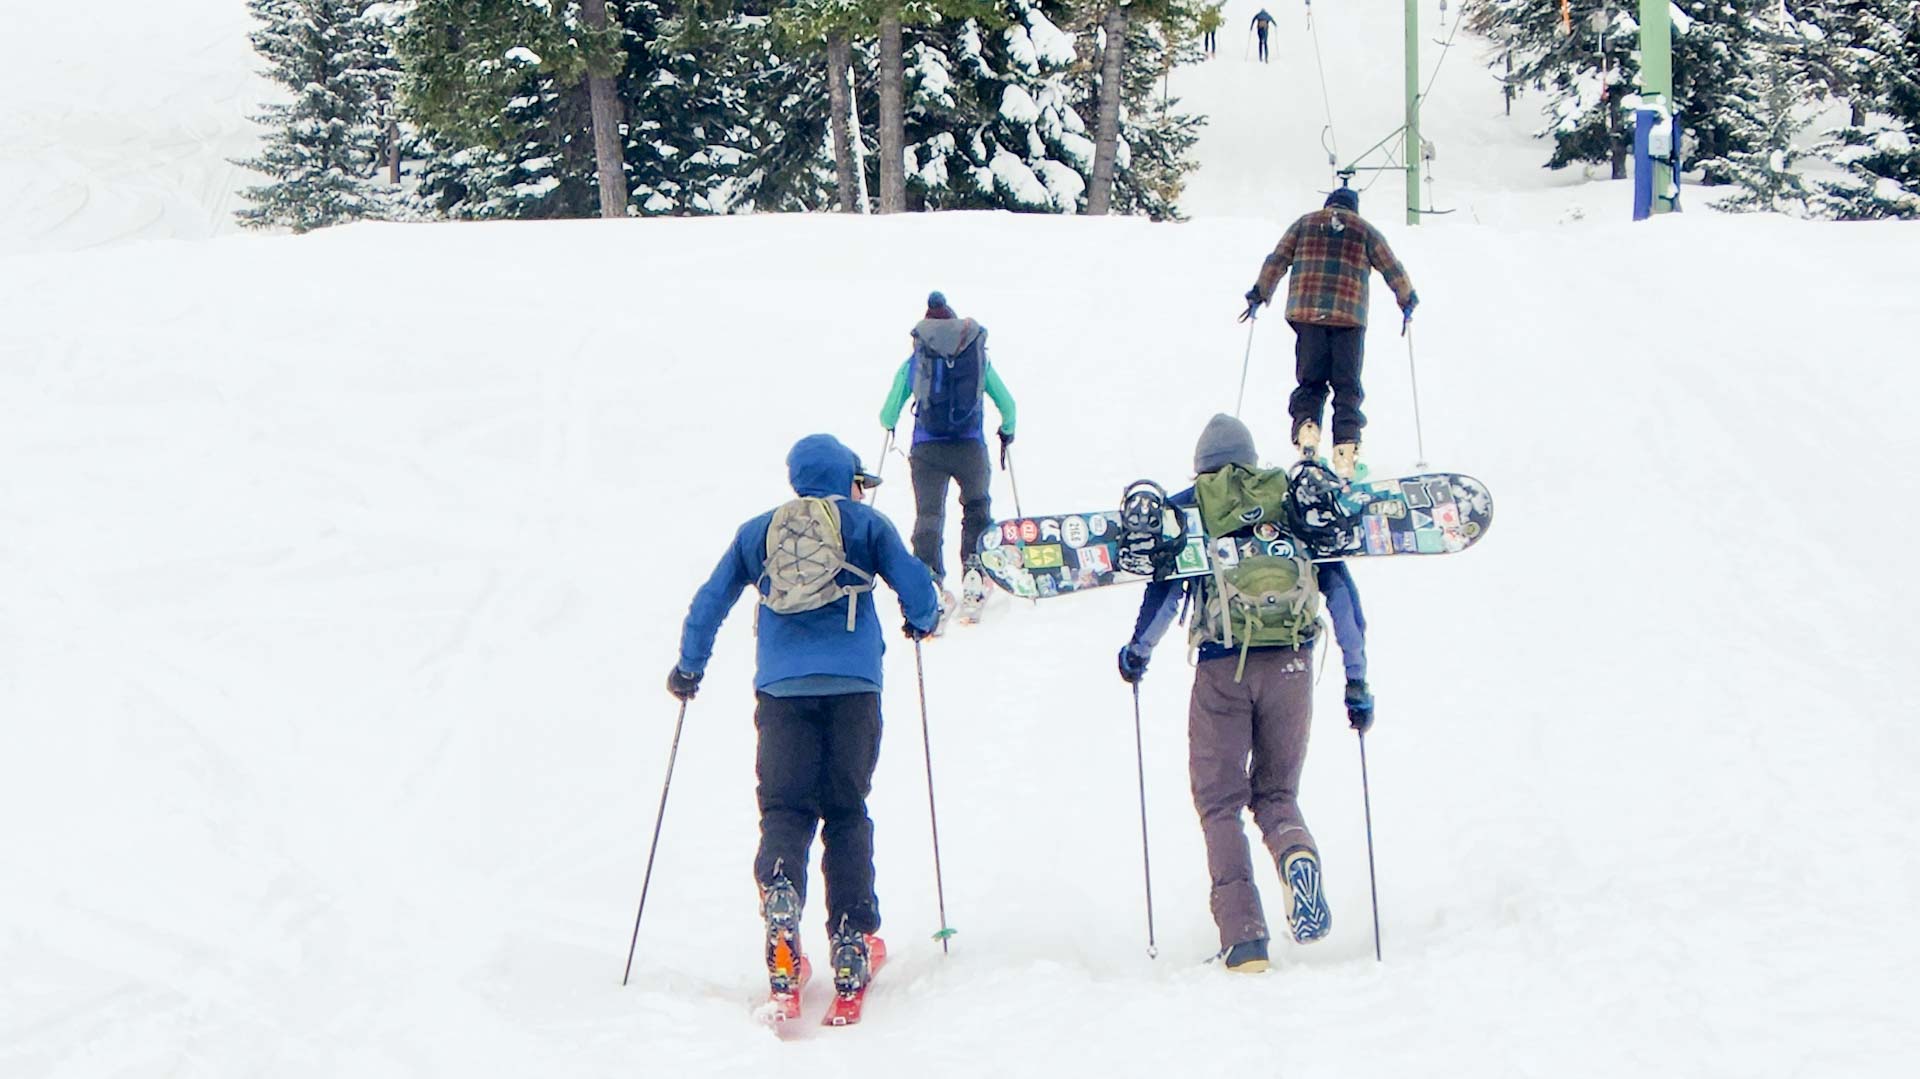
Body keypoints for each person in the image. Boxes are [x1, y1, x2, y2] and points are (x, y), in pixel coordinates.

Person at [669, 434, 941, 1003]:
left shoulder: (758, 532)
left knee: (786, 809)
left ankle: (781, 892)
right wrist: (923, 619)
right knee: (846, 811)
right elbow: (915, 585)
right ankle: (851, 937)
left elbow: (709, 601)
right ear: (847, 477)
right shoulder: (865, 526)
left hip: (781, 692)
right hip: (854, 689)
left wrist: (689, 668)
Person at [1114, 415, 1373, 973]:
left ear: (1202, 468)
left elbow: (1164, 594)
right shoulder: (1294, 502)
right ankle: (1295, 853)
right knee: (1276, 794)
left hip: (1222, 669)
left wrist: (1137, 653)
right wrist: (1357, 681)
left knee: (1220, 803)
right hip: (1293, 667)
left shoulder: (1192, 510)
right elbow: (1341, 596)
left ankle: (1245, 940)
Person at [1241, 186, 1418, 479]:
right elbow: (1391, 267)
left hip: (1307, 316)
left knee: (1310, 382)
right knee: (1347, 387)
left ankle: (1308, 431)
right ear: (1353, 209)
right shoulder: (1364, 230)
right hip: (1348, 318)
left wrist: (1259, 294)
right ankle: (1345, 453)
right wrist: (1407, 298)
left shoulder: (1305, 223)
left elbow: (1277, 260)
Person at [877, 290, 1018, 600]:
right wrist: (1007, 431)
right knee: (977, 506)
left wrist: (890, 425)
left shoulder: (915, 362)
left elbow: (887, 413)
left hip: (926, 450)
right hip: (970, 447)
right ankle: (974, 571)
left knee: (929, 514)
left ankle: (928, 577)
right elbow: (1008, 406)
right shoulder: (976, 358)